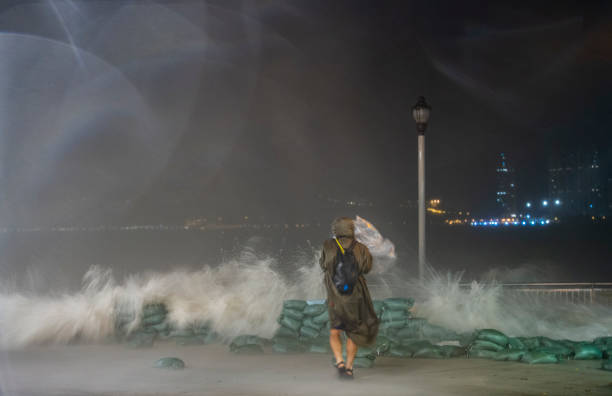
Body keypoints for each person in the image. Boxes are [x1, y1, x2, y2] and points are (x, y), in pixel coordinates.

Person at [319, 217, 379, 379]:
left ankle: (339, 362)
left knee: (335, 330)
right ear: (352, 230)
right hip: (355, 296)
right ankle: (349, 368)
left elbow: (323, 265)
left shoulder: (328, 245)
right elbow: (366, 269)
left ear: (336, 230)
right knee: (352, 332)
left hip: (335, 296)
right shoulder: (361, 248)